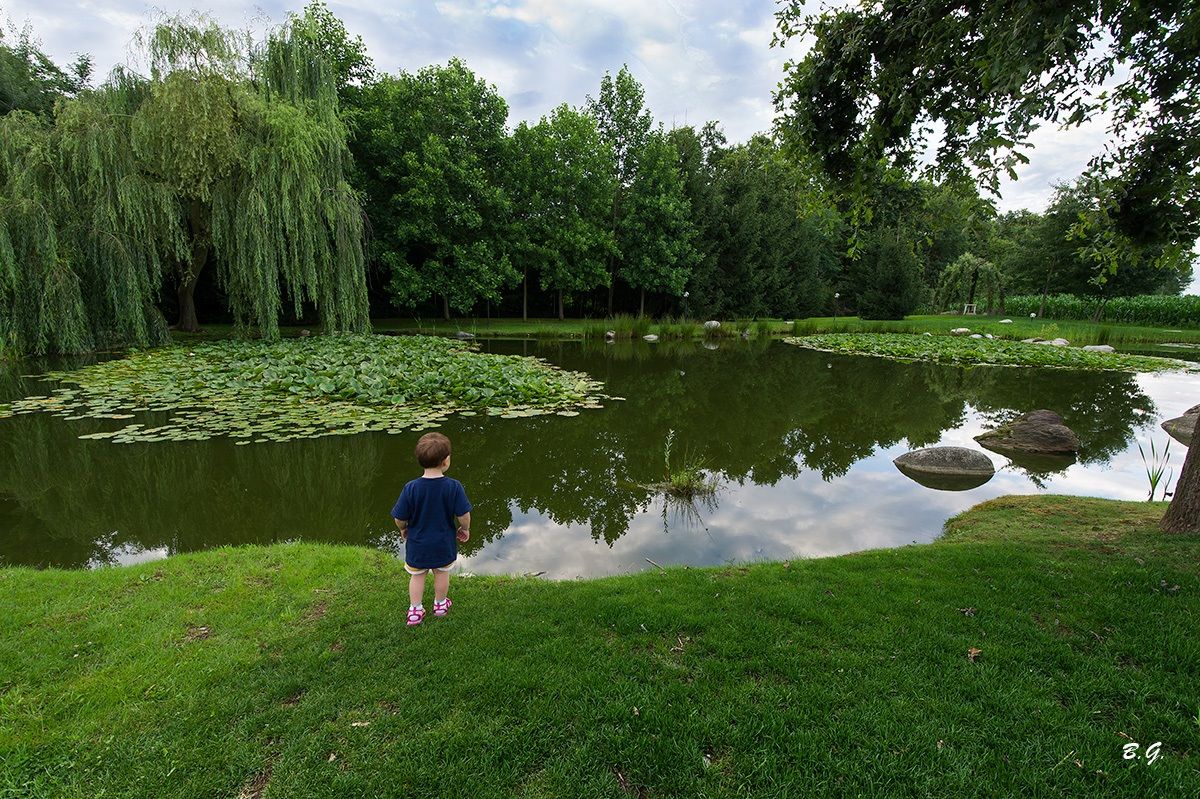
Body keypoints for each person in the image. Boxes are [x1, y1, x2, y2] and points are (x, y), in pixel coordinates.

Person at [391, 432, 472, 626]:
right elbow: (463, 514)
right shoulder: (453, 487)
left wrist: (403, 529)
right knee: (441, 573)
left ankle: (415, 611)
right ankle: (440, 605)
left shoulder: (411, 488)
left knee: (417, 575)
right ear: (446, 461)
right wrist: (465, 529)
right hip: (443, 543)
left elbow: (399, 517)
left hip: (418, 543)